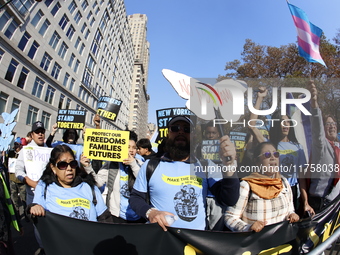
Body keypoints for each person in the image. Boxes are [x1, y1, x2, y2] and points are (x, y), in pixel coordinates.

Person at [129, 115, 240, 231]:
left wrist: (229, 166)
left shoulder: (206, 166)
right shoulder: (150, 165)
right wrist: (150, 213)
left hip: (196, 241)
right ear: (168, 133)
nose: (181, 132)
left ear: (194, 136)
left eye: (187, 129)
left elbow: (229, 199)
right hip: (161, 240)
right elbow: (136, 198)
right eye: (175, 128)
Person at [225, 142, 299, 232]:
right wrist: (247, 227)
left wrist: (292, 214)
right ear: (257, 161)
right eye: (267, 155)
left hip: (282, 242)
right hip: (258, 244)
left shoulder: (283, 182)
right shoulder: (247, 186)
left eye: (276, 154)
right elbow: (229, 217)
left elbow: (290, 209)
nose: (273, 158)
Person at [29, 145, 113, 223]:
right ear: (53, 167)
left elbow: (105, 219)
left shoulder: (89, 187)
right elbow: (36, 207)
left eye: (72, 164)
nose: (69, 168)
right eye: (63, 165)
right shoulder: (44, 187)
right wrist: (34, 208)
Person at [82, 131, 144, 223]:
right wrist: (88, 167)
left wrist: (133, 164)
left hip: (138, 216)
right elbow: (98, 182)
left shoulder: (141, 164)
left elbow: (144, 181)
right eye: (128, 147)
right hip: (116, 216)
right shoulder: (112, 164)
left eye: (134, 148)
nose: (131, 150)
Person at [299, 81, 340, 216]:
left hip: (337, 203)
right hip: (319, 203)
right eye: (328, 124)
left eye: (334, 123)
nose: (332, 126)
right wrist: (314, 102)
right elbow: (317, 127)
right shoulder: (321, 145)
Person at [15, 121, 47, 255]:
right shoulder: (25, 150)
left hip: (49, 195)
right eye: (37, 132)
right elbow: (18, 170)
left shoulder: (49, 150)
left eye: (42, 132)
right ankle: (44, 247)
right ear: (32, 135)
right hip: (33, 196)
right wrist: (28, 180)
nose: (40, 134)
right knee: (38, 225)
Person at [269, 110, 307, 210]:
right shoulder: (270, 145)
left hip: (292, 190)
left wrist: (305, 201)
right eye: (282, 122)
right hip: (275, 189)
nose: (285, 125)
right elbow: (252, 128)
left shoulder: (298, 147)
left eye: (288, 122)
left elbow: (302, 177)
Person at [6, 141, 27, 221]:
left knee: (24, 198)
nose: (16, 147)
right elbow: (6, 164)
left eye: (17, 145)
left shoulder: (23, 154)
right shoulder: (11, 154)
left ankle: (26, 214)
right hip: (13, 179)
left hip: (21, 180)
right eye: (15, 145)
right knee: (14, 198)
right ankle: (17, 214)